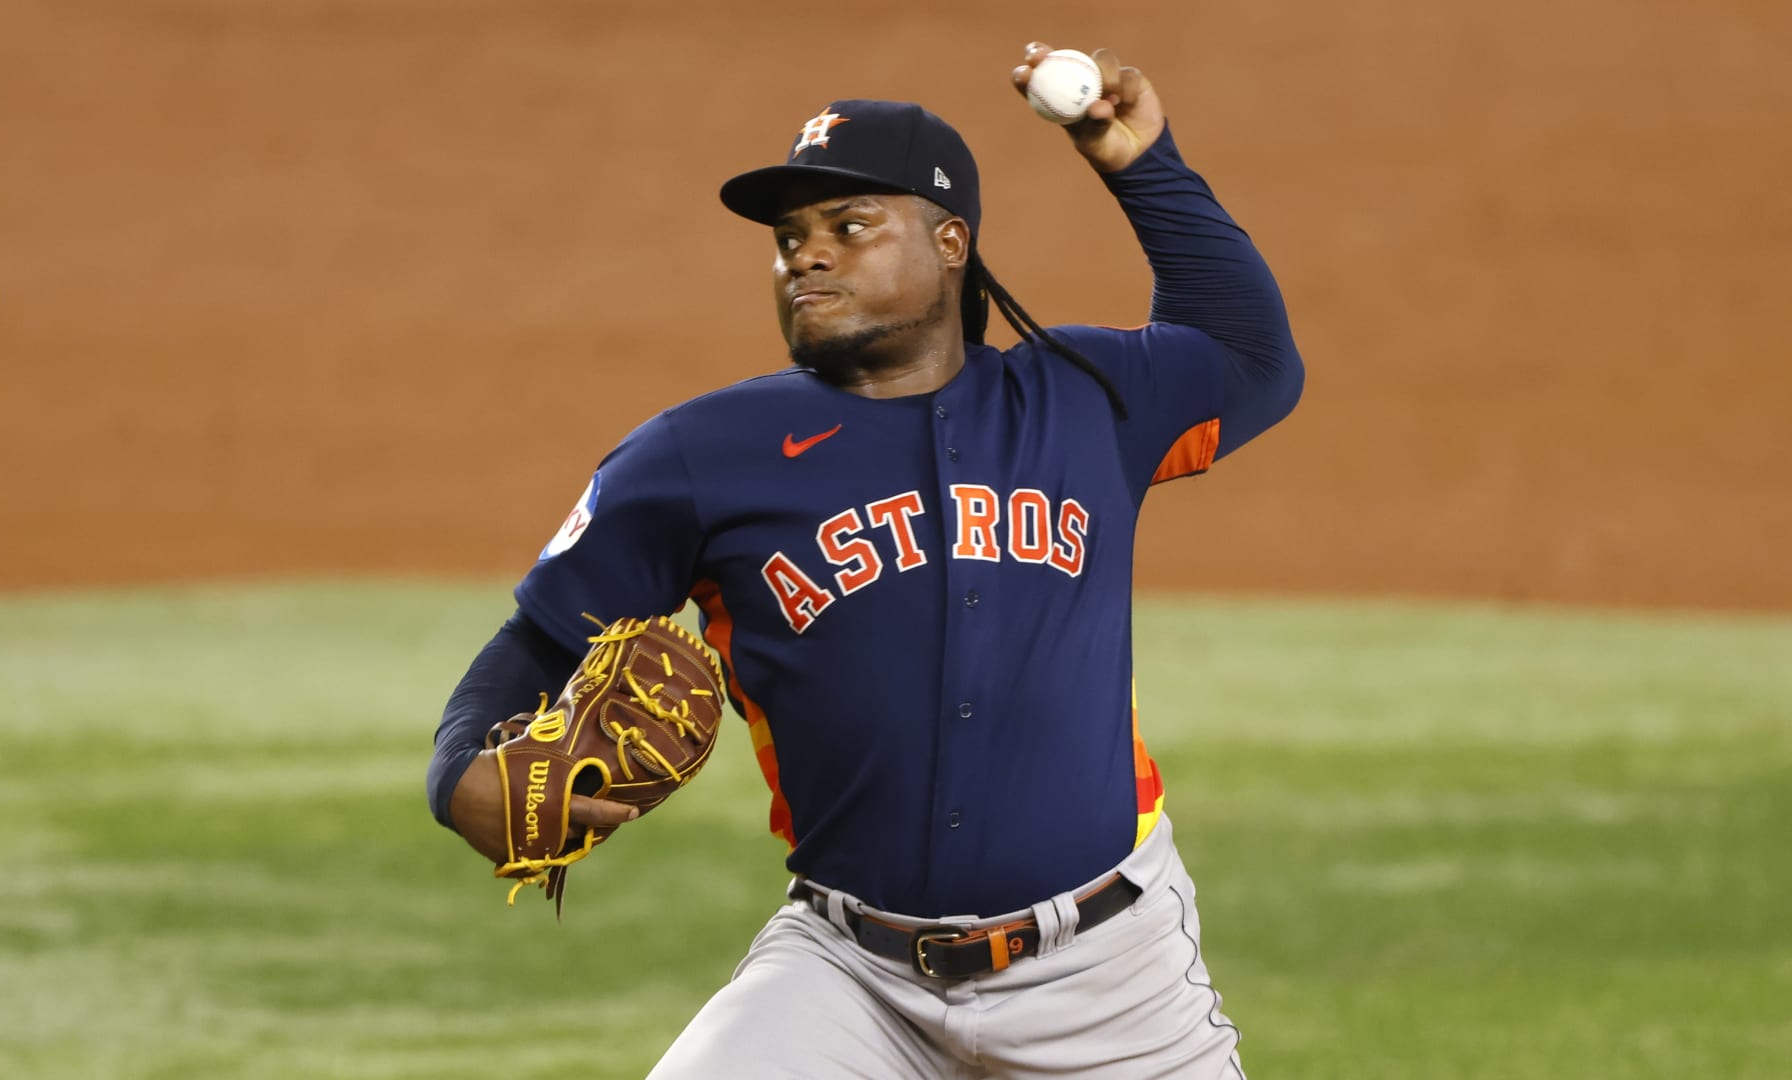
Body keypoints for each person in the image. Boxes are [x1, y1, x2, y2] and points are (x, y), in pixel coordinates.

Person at [429, 42, 1303, 1079]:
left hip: (1109, 975)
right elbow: (541, 633)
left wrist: (1141, 162)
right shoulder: (701, 454)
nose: (806, 254)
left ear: (951, 244)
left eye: (848, 227)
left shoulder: (1081, 398)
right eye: (790, 237)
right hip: (852, 977)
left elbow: (1253, 359)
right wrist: (459, 774)